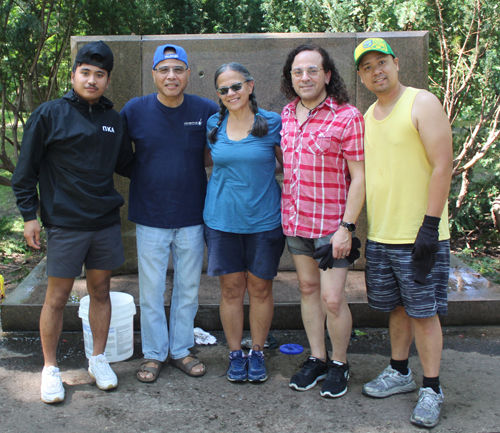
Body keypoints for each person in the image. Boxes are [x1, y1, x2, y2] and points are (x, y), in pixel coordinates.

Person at [11, 41, 134, 403]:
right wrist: (29, 216)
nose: (92, 80)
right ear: (74, 74)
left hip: (104, 222)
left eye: (99, 75)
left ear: (108, 80)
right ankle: (50, 369)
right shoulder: (49, 114)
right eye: (86, 73)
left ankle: (98, 359)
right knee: (57, 297)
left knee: (100, 292)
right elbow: (25, 171)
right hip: (65, 223)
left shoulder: (114, 120)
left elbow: (128, 165)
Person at [354, 37, 453, 428]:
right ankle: (400, 371)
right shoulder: (367, 116)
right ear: (361, 77)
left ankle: (432, 388)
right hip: (383, 235)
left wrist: (429, 227)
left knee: (423, 313)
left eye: (382, 62)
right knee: (396, 308)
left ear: (396, 64)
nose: (376, 70)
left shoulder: (421, 102)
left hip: (419, 235)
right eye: (367, 67)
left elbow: (443, 164)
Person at [120, 44, 218, 383]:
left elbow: (220, 147)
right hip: (150, 215)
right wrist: (145, 172)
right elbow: (117, 153)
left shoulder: (205, 109)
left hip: (192, 213)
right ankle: (153, 354)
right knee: (150, 290)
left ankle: (180, 350)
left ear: (189, 73)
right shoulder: (135, 110)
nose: (171, 76)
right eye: (164, 70)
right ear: (154, 75)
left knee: (188, 288)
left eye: (178, 69)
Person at [280, 44, 365, 398]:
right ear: (291, 78)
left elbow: (359, 177)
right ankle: (317, 358)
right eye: (298, 72)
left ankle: (340, 362)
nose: (305, 77)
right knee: (308, 290)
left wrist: (347, 228)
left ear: (327, 75)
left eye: (312, 70)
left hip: (333, 228)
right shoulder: (285, 114)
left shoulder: (347, 117)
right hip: (296, 222)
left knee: (332, 299)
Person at [204, 63, 286, 383]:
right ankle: (236, 353)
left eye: (236, 86)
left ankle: (258, 352)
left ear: (250, 86)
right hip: (222, 222)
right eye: (223, 90)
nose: (230, 94)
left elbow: (289, 166)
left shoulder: (273, 122)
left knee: (261, 289)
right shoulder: (213, 123)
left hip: (264, 222)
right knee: (231, 289)